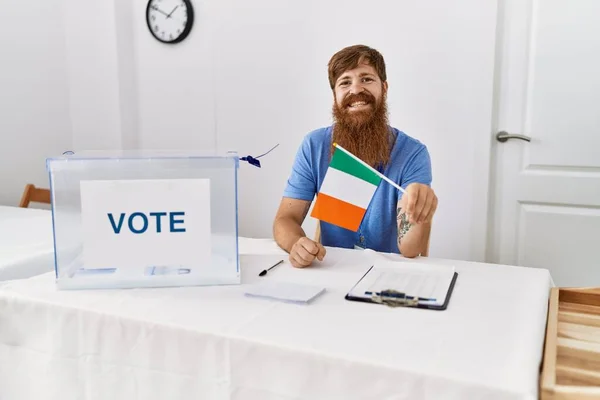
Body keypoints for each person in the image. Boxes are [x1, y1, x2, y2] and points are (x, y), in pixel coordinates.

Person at [273, 44, 438, 268]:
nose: (356, 89)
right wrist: (296, 244)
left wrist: (420, 209)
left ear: (384, 88)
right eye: (345, 82)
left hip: (387, 273)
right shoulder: (315, 145)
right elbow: (285, 220)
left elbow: (409, 249)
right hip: (331, 268)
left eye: (367, 79)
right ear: (335, 96)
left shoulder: (413, 153)